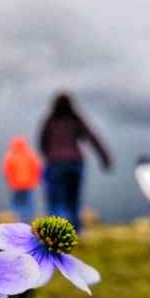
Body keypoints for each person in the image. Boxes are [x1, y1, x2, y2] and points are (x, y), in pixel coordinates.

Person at [39, 93, 112, 231]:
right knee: (73, 201)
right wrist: (104, 157)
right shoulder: (75, 119)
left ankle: (55, 232)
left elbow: (42, 142)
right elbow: (92, 137)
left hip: (55, 164)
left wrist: (49, 156)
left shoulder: (50, 120)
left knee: (56, 201)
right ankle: (76, 231)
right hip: (75, 163)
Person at [2, 136, 42, 222]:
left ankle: (19, 221)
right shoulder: (30, 155)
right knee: (29, 204)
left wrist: (10, 182)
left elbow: (7, 171)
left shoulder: (10, 156)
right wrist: (34, 181)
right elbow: (37, 169)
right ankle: (28, 220)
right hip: (28, 185)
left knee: (17, 205)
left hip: (16, 185)